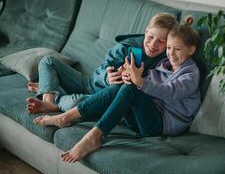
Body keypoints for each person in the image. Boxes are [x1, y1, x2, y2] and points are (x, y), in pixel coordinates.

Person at [33, 16, 202, 163]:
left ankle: (93, 136)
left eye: (176, 49)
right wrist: (127, 76)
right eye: (169, 49)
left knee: (130, 89)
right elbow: (109, 70)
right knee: (125, 87)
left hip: (160, 125)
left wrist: (139, 81)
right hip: (133, 112)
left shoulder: (191, 74)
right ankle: (64, 117)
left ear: (191, 50)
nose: (171, 53)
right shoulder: (162, 63)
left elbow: (169, 91)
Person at [26, 13, 177, 114]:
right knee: (48, 61)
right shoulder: (126, 47)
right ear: (146, 31)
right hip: (89, 82)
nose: (153, 44)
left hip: (101, 98)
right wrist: (107, 77)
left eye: (161, 41)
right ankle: (48, 99)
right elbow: (102, 68)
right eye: (150, 37)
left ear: (168, 43)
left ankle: (51, 90)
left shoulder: (165, 61)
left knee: (77, 103)